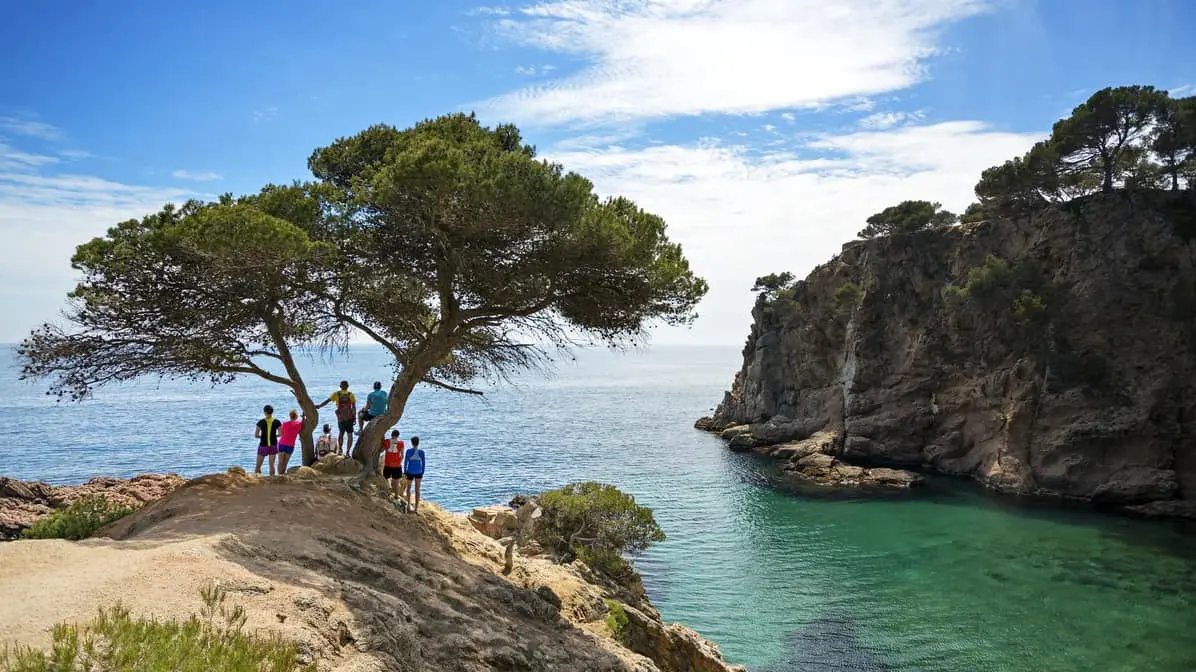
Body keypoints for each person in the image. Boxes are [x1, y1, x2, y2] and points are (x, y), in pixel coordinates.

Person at [317, 380, 356, 456]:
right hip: (349, 417)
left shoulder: (336, 394)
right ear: (347, 387)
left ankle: (340, 450)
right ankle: (348, 451)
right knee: (350, 435)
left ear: (340, 386)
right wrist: (354, 417)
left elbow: (327, 401)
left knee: (341, 433)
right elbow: (354, 407)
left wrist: (319, 406)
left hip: (340, 418)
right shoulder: (351, 395)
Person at [378, 429, 406, 500]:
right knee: (396, 482)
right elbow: (402, 455)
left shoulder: (387, 442)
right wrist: (400, 461)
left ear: (391, 435)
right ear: (398, 436)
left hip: (388, 464)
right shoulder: (401, 443)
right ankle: (396, 496)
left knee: (385, 479)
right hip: (397, 465)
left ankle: (387, 492)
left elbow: (381, 450)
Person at [254, 405, 282, 476]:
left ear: (265, 412)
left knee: (258, 466)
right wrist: (274, 436)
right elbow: (280, 434)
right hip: (273, 445)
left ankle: (258, 480)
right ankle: (272, 481)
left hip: (263, 445)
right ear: (272, 412)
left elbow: (256, 435)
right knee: (272, 465)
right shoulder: (277, 422)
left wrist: (263, 436)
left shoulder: (260, 422)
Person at [403, 435, 426, 514]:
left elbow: (405, 462)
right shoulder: (421, 452)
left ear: (412, 443)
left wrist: (405, 470)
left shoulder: (409, 451)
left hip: (409, 472)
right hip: (419, 472)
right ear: (418, 443)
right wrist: (422, 472)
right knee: (417, 490)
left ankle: (408, 504)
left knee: (408, 489)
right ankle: (416, 508)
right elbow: (423, 463)